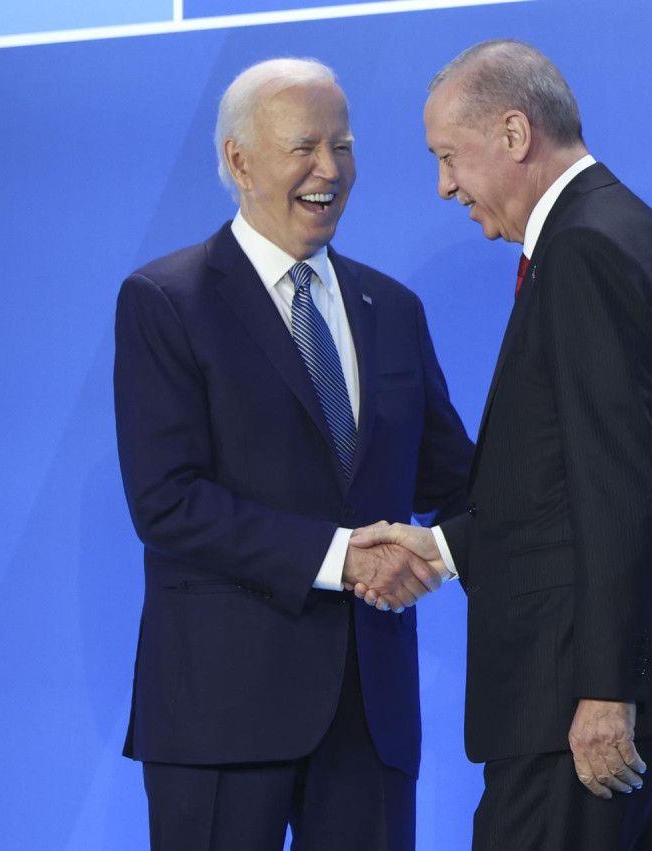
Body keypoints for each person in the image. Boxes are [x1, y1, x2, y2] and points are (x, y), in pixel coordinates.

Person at [350, 40, 652, 849]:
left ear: (513, 134)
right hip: (646, 678)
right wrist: (443, 547)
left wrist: (607, 689)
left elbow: (623, 483)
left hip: (583, 692)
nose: (443, 187)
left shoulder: (583, 250)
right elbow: (567, 482)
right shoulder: (636, 229)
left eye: (447, 157)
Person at [113, 57, 474, 850]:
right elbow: (166, 500)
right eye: (303, 147)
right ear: (239, 160)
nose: (329, 170)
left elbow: (456, 483)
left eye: (342, 147)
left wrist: (456, 546)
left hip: (369, 715)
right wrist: (343, 556)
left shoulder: (393, 307)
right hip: (220, 717)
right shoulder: (167, 301)